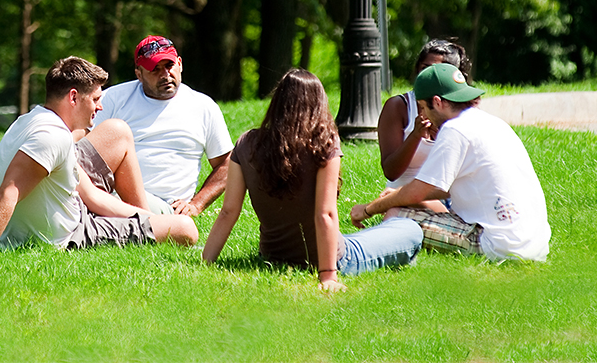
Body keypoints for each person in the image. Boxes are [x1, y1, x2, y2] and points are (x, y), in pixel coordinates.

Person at [202, 69, 423, 293]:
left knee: (370, 235)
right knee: (409, 229)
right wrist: (328, 276)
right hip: (331, 259)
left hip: (272, 254)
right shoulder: (323, 145)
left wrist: (206, 262)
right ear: (319, 104)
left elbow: (229, 211)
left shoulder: (247, 143)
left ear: (277, 102)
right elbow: (325, 214)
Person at [0, 56, 196, 260]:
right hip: (73, 234)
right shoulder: (51, 137)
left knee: (117, 131)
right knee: (185, 229)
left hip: (70, 215)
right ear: (73, 97)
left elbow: (91, 195)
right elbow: (8, 193)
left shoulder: (33, 120)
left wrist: (145, 218)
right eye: (95, 99)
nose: (100, 107)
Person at [351, 63, 551, 262]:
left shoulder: (454, 129)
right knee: (401, 205)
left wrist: (369, 208)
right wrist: (397, 194)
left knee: (396, 215)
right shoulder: (494, 123)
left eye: (422, 107)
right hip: (536, 244)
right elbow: (441, 187)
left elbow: (418, 191)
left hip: (499, 245)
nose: (422, 115)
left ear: (437, 102)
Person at [88, 35, 233, 216]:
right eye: (154, 69)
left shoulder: (204, 107)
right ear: (139, 74)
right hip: (111, 194)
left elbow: (227, 164)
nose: (165, 75)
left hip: (165, 207)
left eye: (169, 66)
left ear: (180, 64)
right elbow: (85, 150)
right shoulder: (113, 98)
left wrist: (196, 204)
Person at [378, 39, 471, 189]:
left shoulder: (464, 110)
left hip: (448, 196)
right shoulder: (398, 106)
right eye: (425, 69)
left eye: (438, 71)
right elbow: (391, 171)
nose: (430, 76)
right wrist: (415, 135)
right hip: (404, 197)